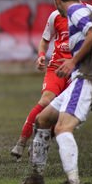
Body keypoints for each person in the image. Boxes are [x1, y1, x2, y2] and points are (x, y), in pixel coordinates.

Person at [13, 0, 92, 184]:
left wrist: (73, 61)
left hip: (88, 78)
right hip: (85, 77)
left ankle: (73, 181)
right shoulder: (89, 11)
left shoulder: (75, 11)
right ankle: (35, 177)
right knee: (43, 118)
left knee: (63, 127)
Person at [10, 8, 71, 160]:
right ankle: (22, 141)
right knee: (45, 100)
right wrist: (41, 56)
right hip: (56, 67)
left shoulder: (90, 14)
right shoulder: (55, 16)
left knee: (64, 113)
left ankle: (38, 143)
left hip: (76, 71)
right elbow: (45, 40)